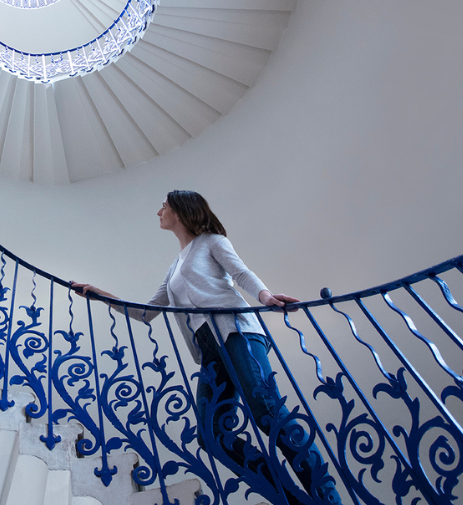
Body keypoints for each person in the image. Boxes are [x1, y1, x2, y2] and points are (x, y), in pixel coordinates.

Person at [71, 191, 342, 505]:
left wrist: (265, 297)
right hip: (209, 350)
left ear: (182, 210)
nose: (159, 211)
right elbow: (146, 312)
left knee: (267, 413)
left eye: (164, 206)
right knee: (211, 435)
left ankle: (327, 497)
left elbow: (240, 273)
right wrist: (102, 295)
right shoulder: (174, 267)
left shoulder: (212, 241)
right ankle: (290, 497)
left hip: (236, 332)